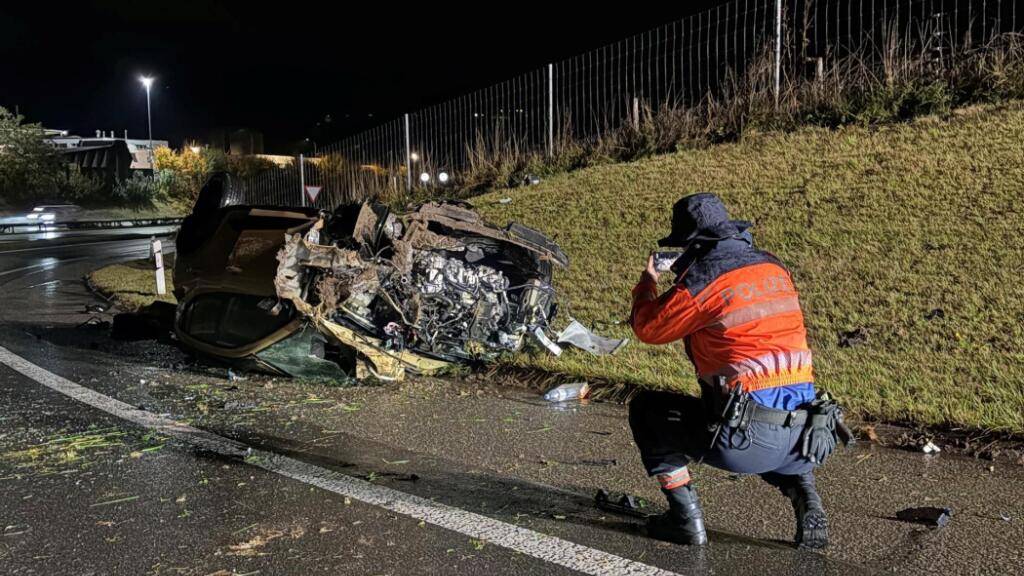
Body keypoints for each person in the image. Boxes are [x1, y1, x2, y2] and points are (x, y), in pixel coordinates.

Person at [629, 192, 842, 549]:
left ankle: (685, 520)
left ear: (691, 245)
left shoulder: (703, 280)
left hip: (747, 442)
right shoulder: (774, 268)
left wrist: (648, 281)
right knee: (774, 407)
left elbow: (648, 328)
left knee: (646, 410)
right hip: (809, 438)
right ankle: (807, 498)